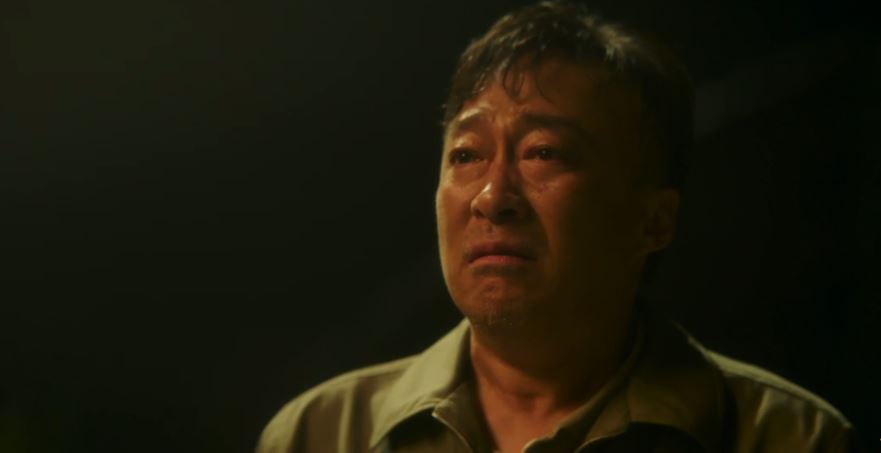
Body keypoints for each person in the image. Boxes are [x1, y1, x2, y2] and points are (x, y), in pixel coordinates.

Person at [256, 2, 857, 452]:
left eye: (543, 153)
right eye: (466, 155)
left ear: (653, 221)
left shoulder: (790, 439)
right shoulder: (322, 435)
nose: (493, 198)